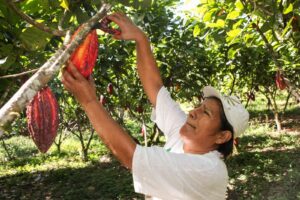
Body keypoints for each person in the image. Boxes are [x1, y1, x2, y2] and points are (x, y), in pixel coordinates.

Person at [62, 12, 249, 200]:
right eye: (199, 106)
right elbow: (156, 88)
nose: (193, 112)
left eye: (206, 113)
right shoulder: (185, 134)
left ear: (222, 136)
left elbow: (130, 156)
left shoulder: (208, 169)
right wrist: (140, 38)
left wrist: (89, 101)